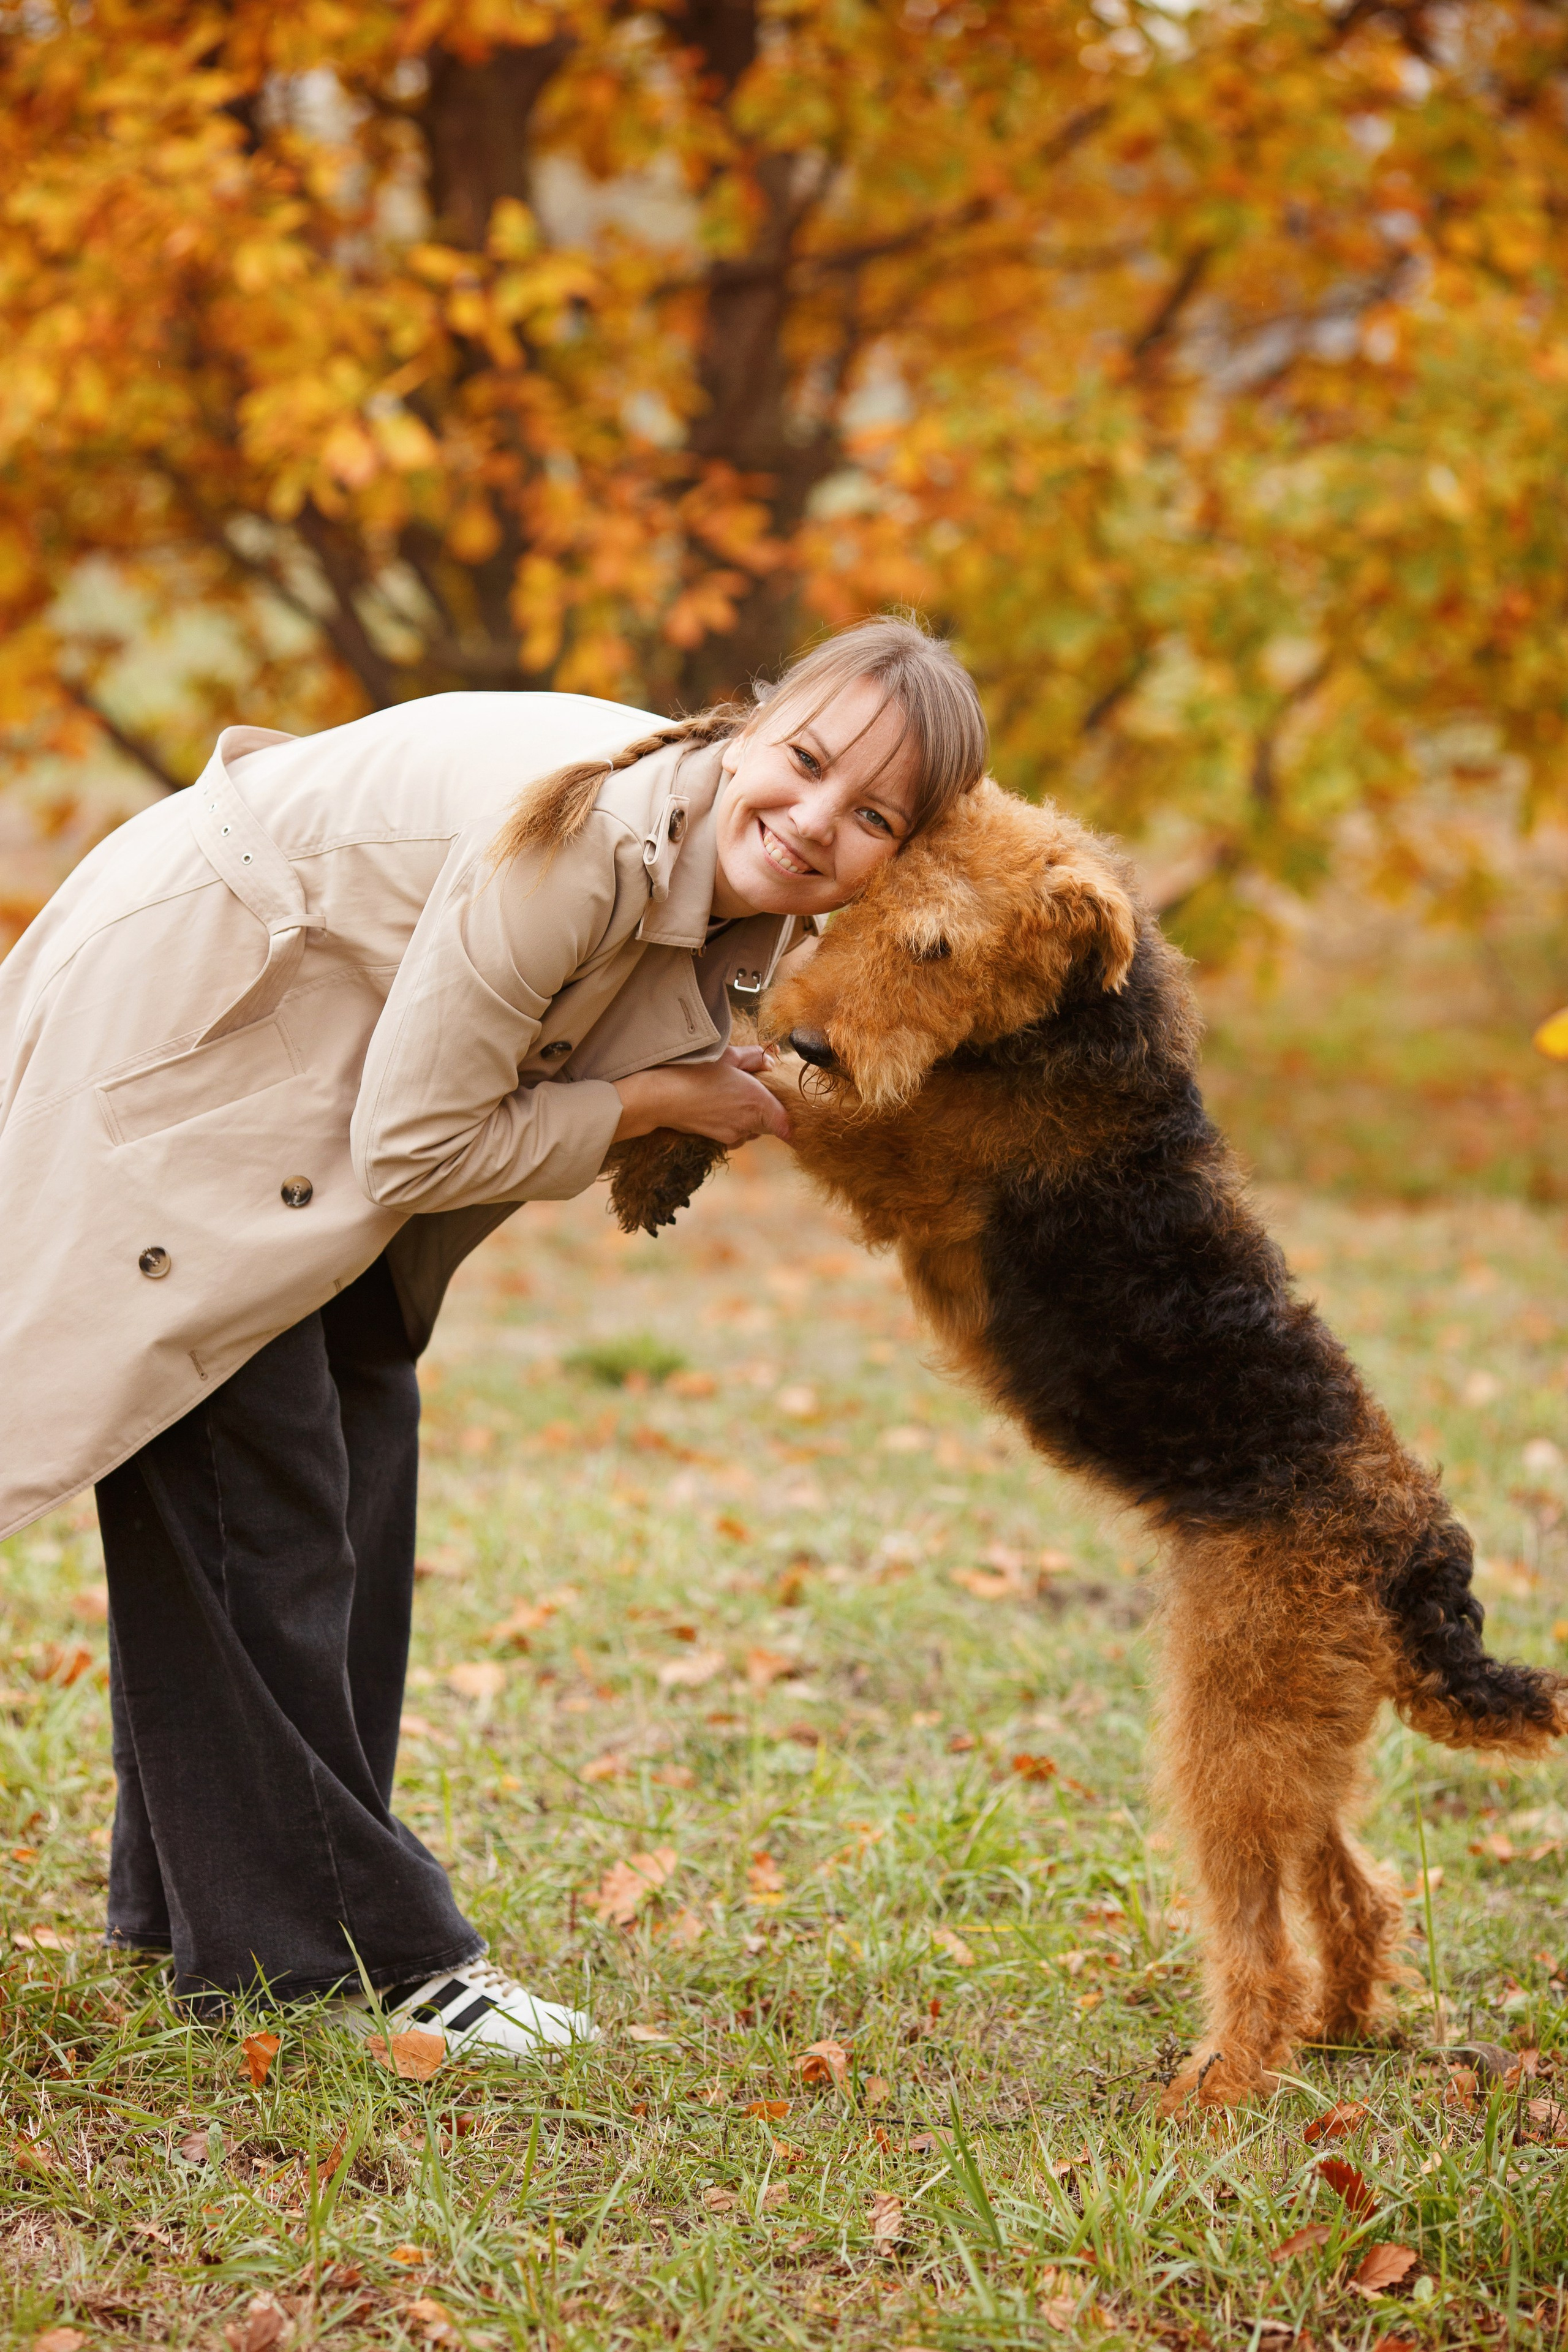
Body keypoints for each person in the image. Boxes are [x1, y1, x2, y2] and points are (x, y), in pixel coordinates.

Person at [0, 616, 987, 2053]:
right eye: (809, 761)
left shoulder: (721, 865)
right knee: (254, 1464)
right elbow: (413, 1151)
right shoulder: (586, 839)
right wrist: (657, 1106)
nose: (816, 819)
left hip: (307, 1048)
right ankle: (342, 1959)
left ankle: (216, 1914)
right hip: (200, 1018)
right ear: (751, 720)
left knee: (356, 1437)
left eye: (873, 816)